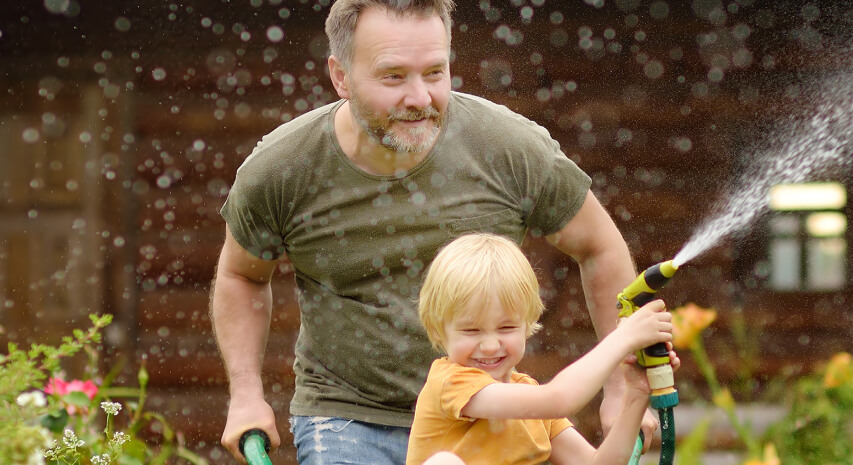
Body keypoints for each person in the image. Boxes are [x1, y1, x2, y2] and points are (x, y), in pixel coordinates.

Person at [211, 0, 660, 463]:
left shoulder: (507, 149)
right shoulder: (284, 169)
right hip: (346, 414)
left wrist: (621, 388)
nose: (420, 98)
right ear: (340, 76)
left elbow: (599, 246)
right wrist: (246, 394)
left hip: (489, 407)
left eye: (434, 72)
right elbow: (243, 275)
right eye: (394, 76)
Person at [406, 234, 674, 465]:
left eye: (506, 328)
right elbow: (560, 399)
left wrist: (636, 394)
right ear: (439, 330)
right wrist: (623, 337)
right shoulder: (450, 383)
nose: (489, 345)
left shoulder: (531, 400)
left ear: (527, 324)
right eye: (471, 330)